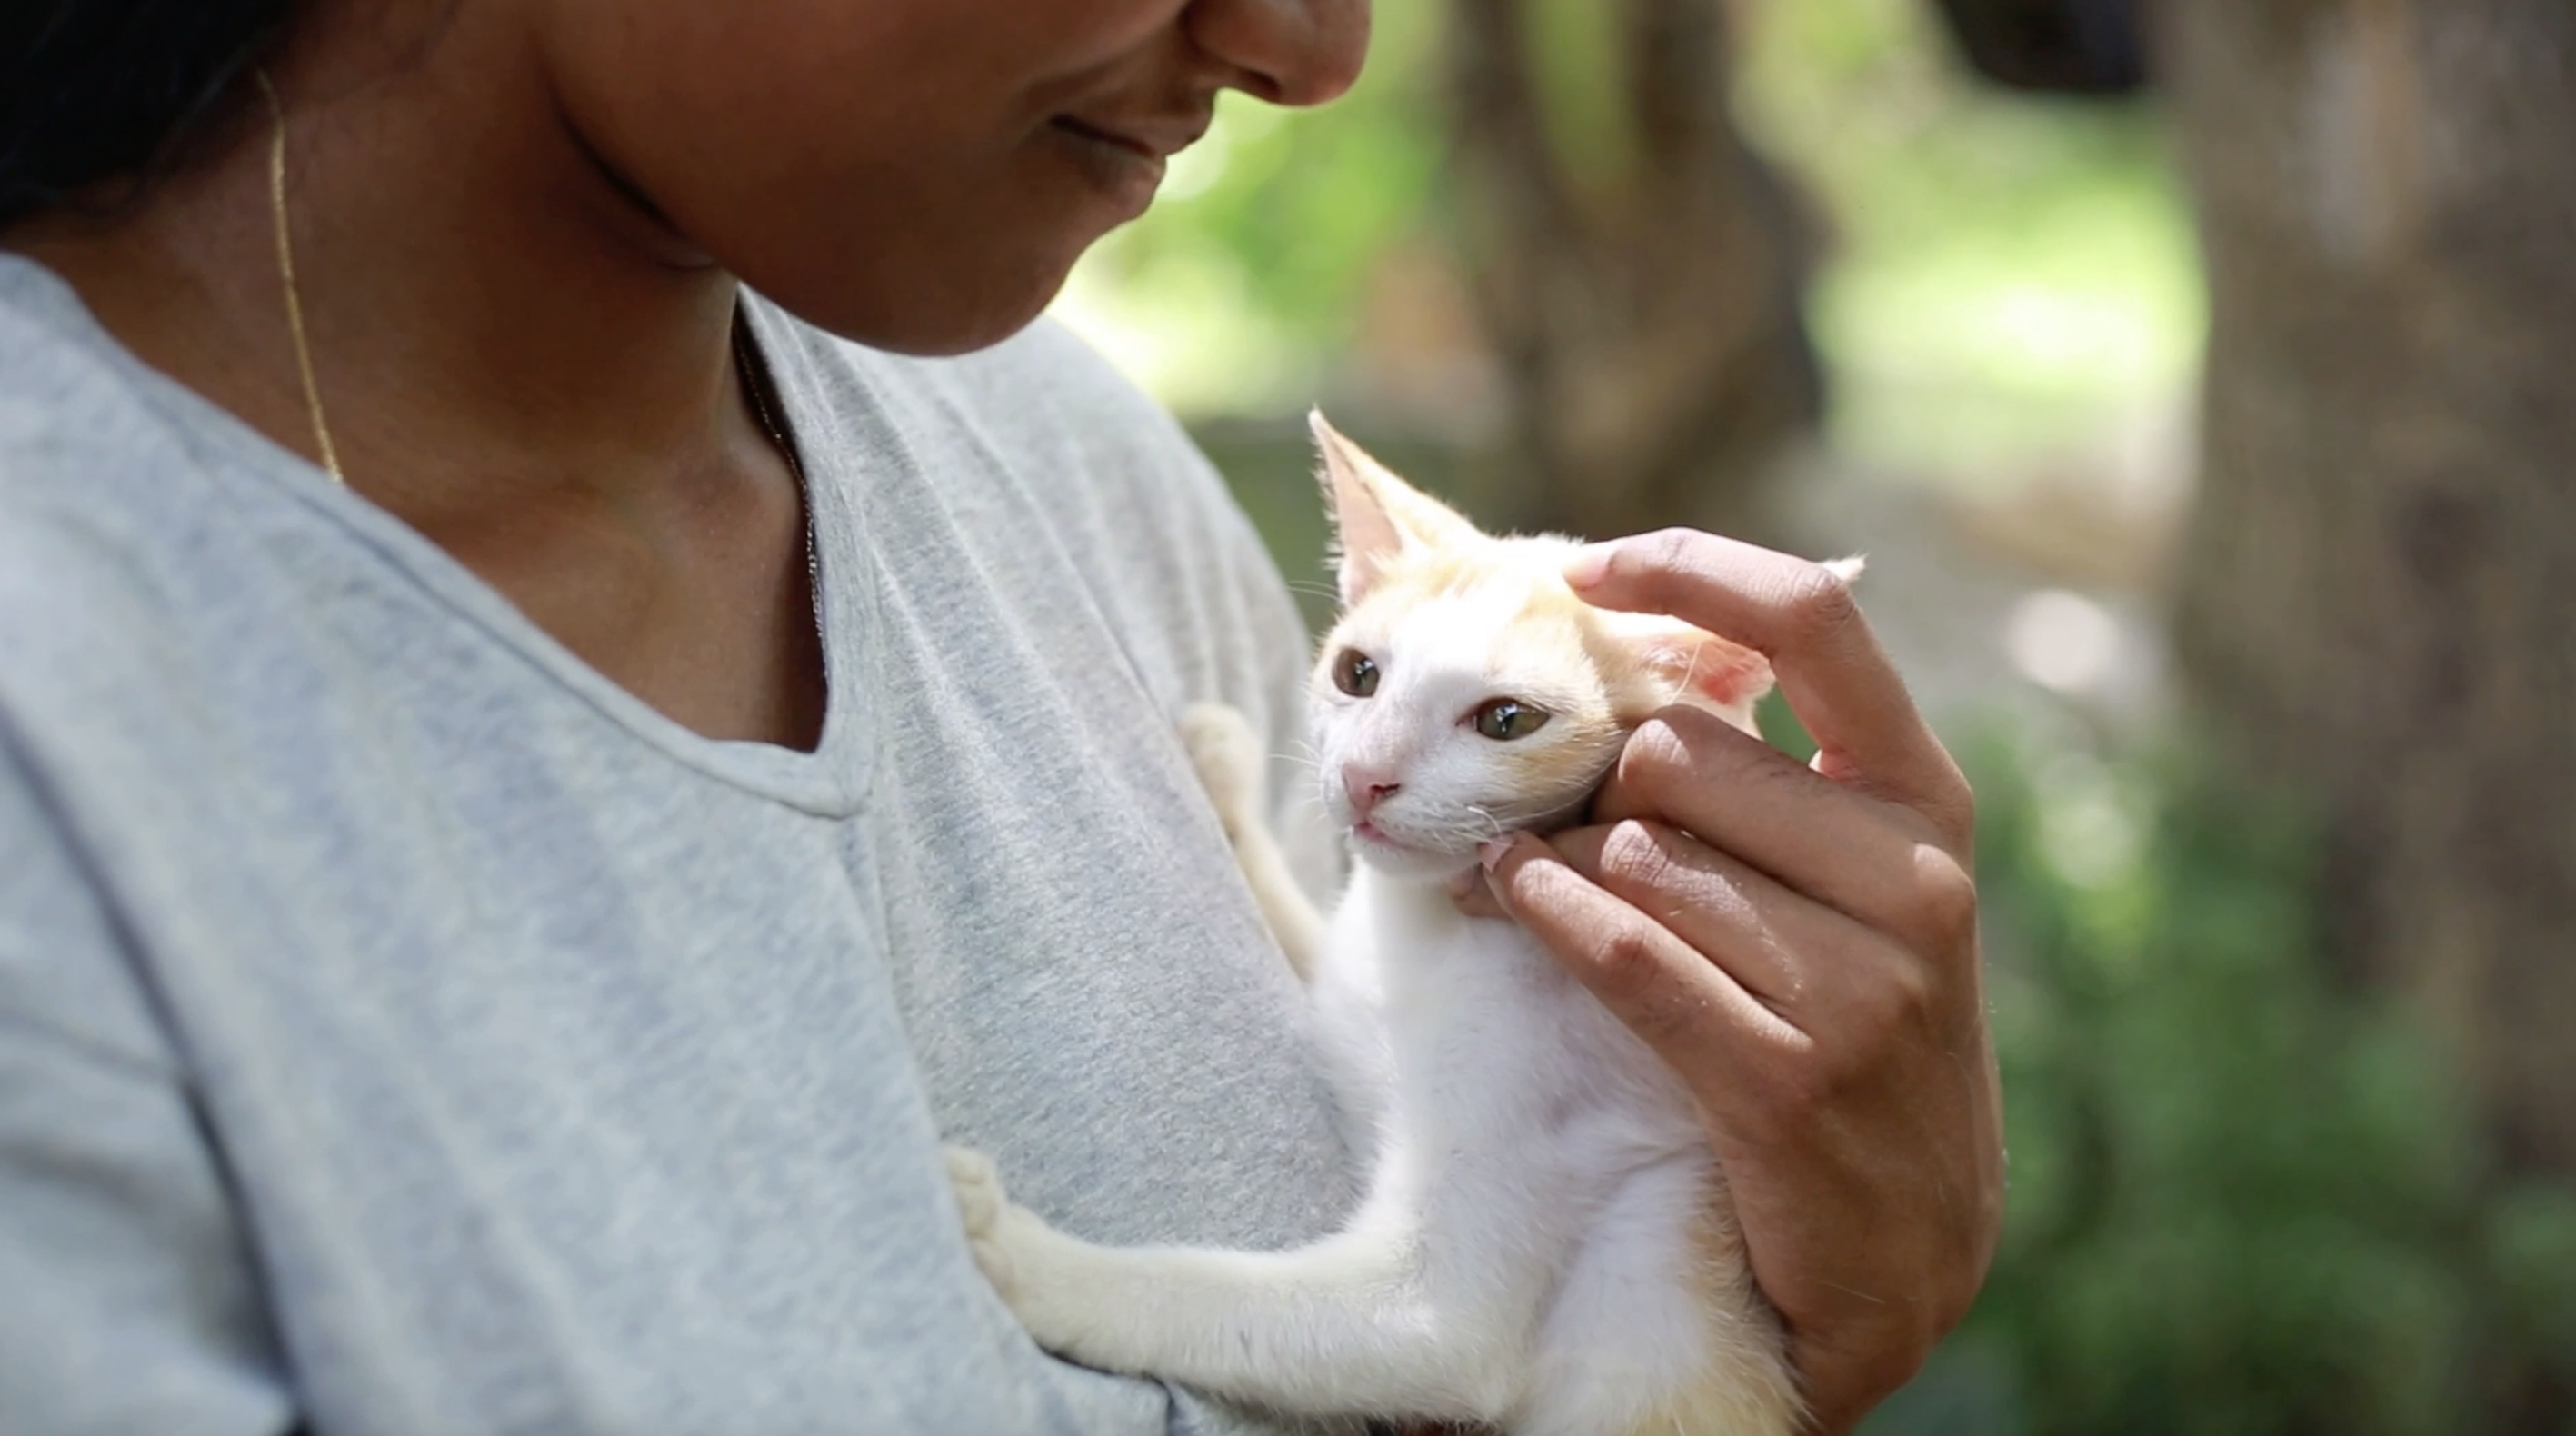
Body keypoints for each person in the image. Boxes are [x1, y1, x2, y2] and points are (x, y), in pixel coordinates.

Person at [0, 2, 2002, 1431]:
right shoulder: (71, 722)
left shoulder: (1066, 474)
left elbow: (1445, 1323)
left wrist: (1773, 1296)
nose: (1315, 49)